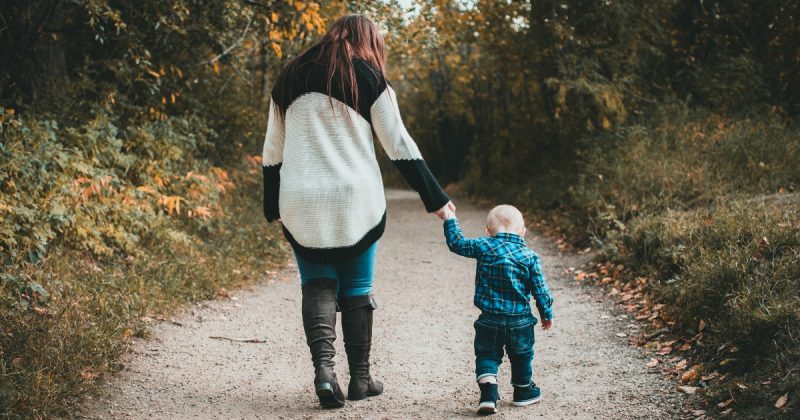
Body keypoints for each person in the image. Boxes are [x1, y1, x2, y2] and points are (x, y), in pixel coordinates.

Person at [261, 14, 455, 408]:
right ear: (367, 40)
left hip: (300, 197)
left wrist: (271, 204)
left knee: (316, 283)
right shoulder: (367, 76)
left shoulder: (290, 75)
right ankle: (360, 380)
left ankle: (324, 372)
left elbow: (272, 150)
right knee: (357, 287)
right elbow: (398, 142)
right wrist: (435, 198)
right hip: (356, 199)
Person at [442, 204, 554, 415]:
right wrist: (546, 314)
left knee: (487, 355)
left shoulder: (483, 245)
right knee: (521, 355)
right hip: (520, 321)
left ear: (488, 231)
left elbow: (457, 243)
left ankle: (488, 395)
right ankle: (522, 391)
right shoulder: (529, 257)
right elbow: (541, 290)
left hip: (489, 319)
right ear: (523, 231)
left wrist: (450, 218)